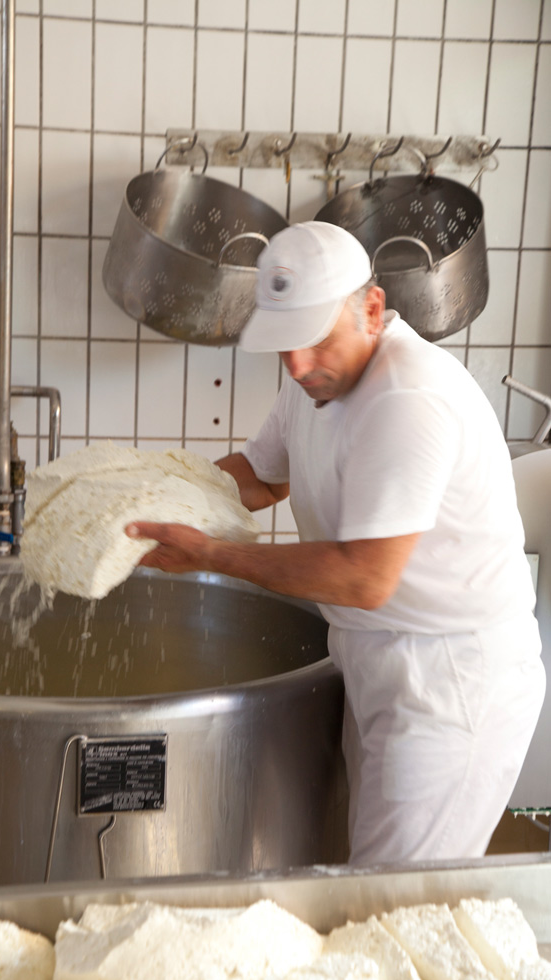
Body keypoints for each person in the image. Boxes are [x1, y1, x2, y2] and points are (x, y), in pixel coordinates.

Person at [126, 221, 546, 865]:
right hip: (376, 653)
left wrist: (209, 553)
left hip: (451, 677)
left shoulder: (409, 398)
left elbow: (363, 577)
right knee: (366, 879)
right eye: (283, 345)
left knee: (396, 902)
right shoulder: (317, 381)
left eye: (314, 341)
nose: (296, 366)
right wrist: (151, 500)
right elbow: (261, 479)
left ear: (372, 310)